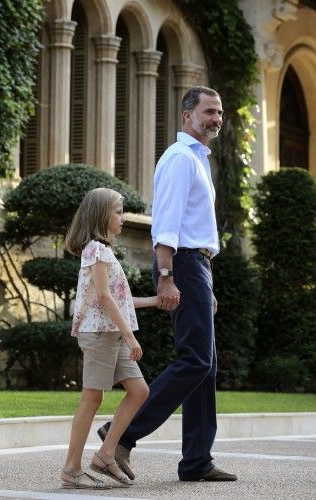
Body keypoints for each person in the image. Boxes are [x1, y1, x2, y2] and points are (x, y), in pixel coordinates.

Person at [97, 86, 237, 482]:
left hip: (198, 266)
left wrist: (204, 285)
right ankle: (120, 433)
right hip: (183, 263)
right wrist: (165, 276)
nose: (216, 118)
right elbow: (167, 224)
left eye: (220, 112)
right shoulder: (179, 159)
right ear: (187, 116)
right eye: (209, 111)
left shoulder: (197, 159)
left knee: (205, 367)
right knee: (195, 360)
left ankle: (196, 460)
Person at [61, 187, 158, 490]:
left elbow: (120, 300)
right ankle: (72, 470)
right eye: (118, 211)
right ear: (102, 214)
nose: (123, 218)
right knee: (92, 398)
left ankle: (105, 455)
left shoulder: (104, 251)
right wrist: (131, 338)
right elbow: (104, 298)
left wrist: (157, 301)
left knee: (139, 391)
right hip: (100, 335)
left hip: (111, 334)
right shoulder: (95, 249)